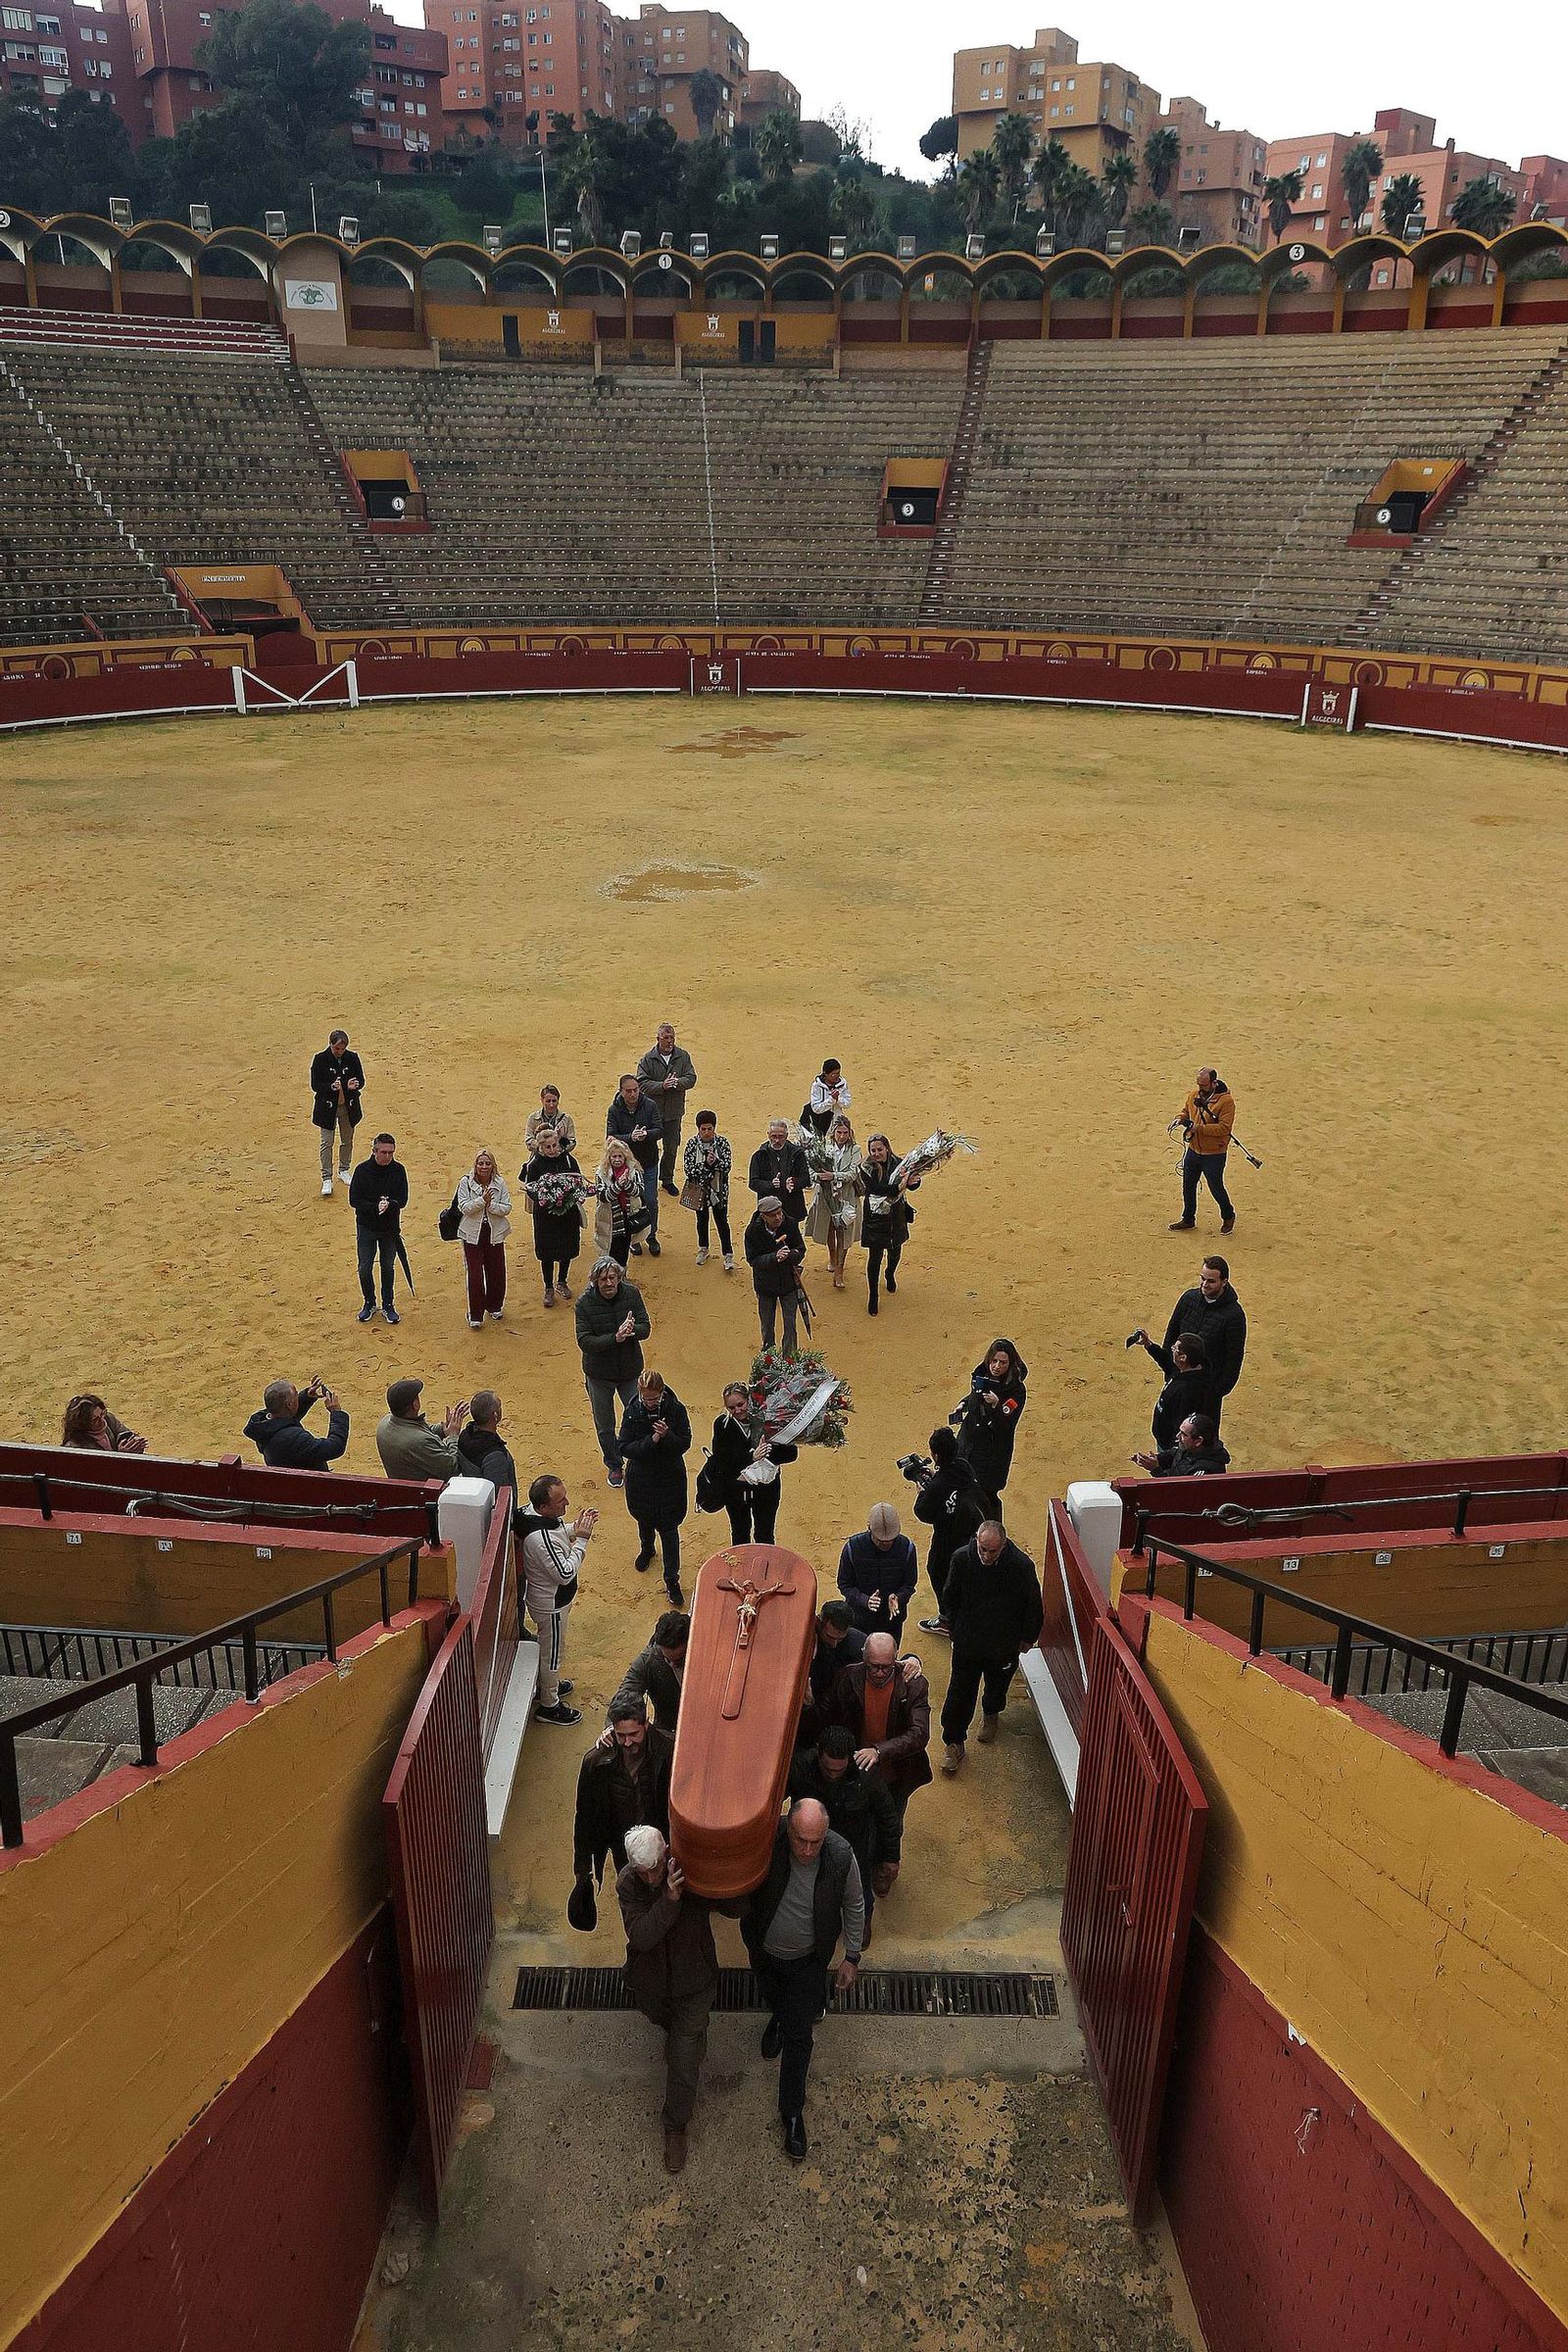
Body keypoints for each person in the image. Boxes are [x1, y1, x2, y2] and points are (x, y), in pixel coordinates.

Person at [740, 1798, 863, 2161]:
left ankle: (791, 2112)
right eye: (800, 1841)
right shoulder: (766, 1838)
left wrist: (851, 1956)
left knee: (800, 2037)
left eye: (816, 1842)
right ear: (787, 1830)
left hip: (809, 1962)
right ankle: (777, 2017)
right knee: (772, 1998)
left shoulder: (840, 1856)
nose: (808, 1851)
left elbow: (854, 1904)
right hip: (763, 1951)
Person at [616, 1823, 718, 2176]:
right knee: (671, 2030)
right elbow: (641, 1935)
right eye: (642, 1872)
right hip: (653, 1985)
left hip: (693, 1981)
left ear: (666, 1855)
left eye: (655, 1869)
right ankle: (685, 2038)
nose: (650, 1878)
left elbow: (734, 1905)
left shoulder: (689, 1868)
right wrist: (668, 1901)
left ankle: (675, 2126)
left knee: (684, 2057)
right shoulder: (628, 1884)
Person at [939, 1520, 1044, 1776]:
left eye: (992, 1551)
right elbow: (949, 1596)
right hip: (968, 1642)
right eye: (982, 1548)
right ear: (976, 1540)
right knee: (959, 1691)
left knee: (997, 1686)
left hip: (1003, 1644)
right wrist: (954, 1628)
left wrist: (1028, 1638)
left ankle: (991, 1712)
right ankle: (953, 1743)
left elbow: (1033, 1605)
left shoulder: (1021, 1567)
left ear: (1003, 1545)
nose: (985, 1555)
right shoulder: (962, 1559)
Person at [789, 1725, 902, 1947]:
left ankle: (863, 1920)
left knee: (859, 1888)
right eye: (828, 1768)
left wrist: (890, 1857)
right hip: (814, 1840)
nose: (833, 1775)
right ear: (819, 1752)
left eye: (839, 1770)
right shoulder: (801, 1767)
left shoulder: (865, 1774)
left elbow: (887, 1815)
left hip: (854, 1843)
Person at [572, 1697, 674, 1895]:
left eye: (634, 1734)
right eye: (621, 1735)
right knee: (634, 1894)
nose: (628, 1742)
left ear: (646, 1724)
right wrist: (582, 1872)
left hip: (663, 1841)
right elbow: (584, 1818)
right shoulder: (596, 1762)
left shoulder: (669, 1751)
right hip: (623, 1847)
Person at [830, 1632, 933, 1822]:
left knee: (891, 1824)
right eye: (873, 1667)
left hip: (896, 1774)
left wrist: (879, 1752)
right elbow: (833, 1717)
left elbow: (919, 1733)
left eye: (886, 1667)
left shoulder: (914, 1685)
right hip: (857, 1771)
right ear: (864, 1658)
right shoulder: (848, 1677)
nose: (879, 1673)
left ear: (896, 1660)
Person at [519, 1472, 597, 1724]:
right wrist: (582, 1541)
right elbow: (564, 1573)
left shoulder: (535, 1515)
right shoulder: (540, 1540)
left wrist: (576, 1528)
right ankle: (549, 1705)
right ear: (543, 1507)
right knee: (552, 1655)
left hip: (549, 1600)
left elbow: (559, 1532)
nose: (567, 1503)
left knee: (550, 1652)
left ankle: (546, 1686)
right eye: (560, 1501)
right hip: (551, 1605)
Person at [575, 1255, 651, 1489]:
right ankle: (614, 1465)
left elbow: (645, 1328)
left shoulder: (632, 1294)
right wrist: (615, 1338)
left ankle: (638, 1460)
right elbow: (584, 1341)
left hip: (629, 1370)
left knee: (638, 1416)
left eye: (612, 1278)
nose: (608, 1283)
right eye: (603, 1279)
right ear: (595, 1281)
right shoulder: (584, 1304)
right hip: (599, 1374)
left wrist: (631, 1331)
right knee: (605, 1424)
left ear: (619, 1278)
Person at [617, 1370, 692, 1606]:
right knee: (644, 1519)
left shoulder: (675, 1410)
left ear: (661, 1393)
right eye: (646, 1398)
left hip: (670, 1478)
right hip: (641, 1478)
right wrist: (652, 1441)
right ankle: (647, 1548)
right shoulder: (632, 1412)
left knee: (669, 1531)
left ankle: (672, 1579)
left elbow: (685, 1442)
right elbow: (624, 1447)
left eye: (654, 1398)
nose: (650, 1403)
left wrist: (667, 1436)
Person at [696, 1383, 797, 1545]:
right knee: (739, 1535)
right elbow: (723, 1464)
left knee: (764, 1535)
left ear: (749, 1399)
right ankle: (741, 1571)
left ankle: (763, 1570)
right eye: (731, 1408)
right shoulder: (722, 1425)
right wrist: (752, 1457)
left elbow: (791, 1454)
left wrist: (766, 1453)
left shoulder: (769, 1419)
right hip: (736, 1492)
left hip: (767, 1490)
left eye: (740, 1404)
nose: (737, 1411)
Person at [912, 1427, 989, 1637]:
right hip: (971, 1533)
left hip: (947, 1541)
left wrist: (922, 1493)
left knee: (937, 1571)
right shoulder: (963, 1466)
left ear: (935, 1455)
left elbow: (923, 1512)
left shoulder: (937, 1487)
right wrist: (936, 1477)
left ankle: (946, 1619)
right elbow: (951, 1481)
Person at [1162, 1256, 1248, 1425]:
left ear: (1224, 1282)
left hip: (1207, 1393)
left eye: (1211, 1281)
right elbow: (1171, 1333)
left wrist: (1217, 1391)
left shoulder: (1234, 1315)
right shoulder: (1188, 1298)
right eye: (1202, 1278)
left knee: (1200, 1441)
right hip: (1179, 1381)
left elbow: (1234, 1358)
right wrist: (1170, 1371)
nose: (1204, 1284)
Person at [953, 1340, 1028, 1511]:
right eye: (994, 1361)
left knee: (986, 1499)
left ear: (1010, 1364)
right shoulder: (981, 1376)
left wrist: (996, 1406)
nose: (997, 1366)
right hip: (967, 1445)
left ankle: (993, 1535)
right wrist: (964, 1404)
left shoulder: (1016, 1391)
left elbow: (1007, 1425)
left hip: (991, 1455)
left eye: (1003, 1363)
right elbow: (975, 1395)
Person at [520, 1124, 586, 1306]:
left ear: (559, 1144)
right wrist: (547, 1198)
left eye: (554, 1145)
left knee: (567, 1248)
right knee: (547, 1251)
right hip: (545, 1216)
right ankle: (548, 1287)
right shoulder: (534, 1165)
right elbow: (531, 1189)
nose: (552, 1149)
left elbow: (578, 1181)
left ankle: (562, 1282)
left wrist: (575, 1196)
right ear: (540, 1147)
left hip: (567, 1214)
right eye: (547, 1147)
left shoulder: (569, 1161)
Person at [349, 1132, 409, 1327]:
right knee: (364, 1268)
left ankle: (388, 1304)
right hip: (366, 1226)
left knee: (387, 1267)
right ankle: (369, 1302)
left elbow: (403, 1199)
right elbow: (354, 1200)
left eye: (391, 1152)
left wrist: (391, 1204)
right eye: (384, 1152)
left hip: (389, 1229)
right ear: (374, 1151)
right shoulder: (362, 1171)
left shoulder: (399, 1170)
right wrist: (375, 1207)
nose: (388, 1156)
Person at [858, 1134, 920, 1316]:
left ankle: (890, 1273)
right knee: (875, 1257)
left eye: (879, 1149)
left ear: (887, 1148)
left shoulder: (900, 1163)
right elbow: (874, 1189)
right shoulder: (866, 1167)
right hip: (876, 1219)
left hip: (896, 1216)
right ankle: (873, 1296)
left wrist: (911, 1182)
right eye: (873, 1150)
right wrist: (900, 1185)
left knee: (895, 1251)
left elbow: (914, 1184)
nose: (876, 1153)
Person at [837, 1503, 918, 1641]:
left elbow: (909, 1584)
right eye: (880, 1540)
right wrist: (865, 1600)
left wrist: (898, 1597)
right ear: (869, 1529)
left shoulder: (907, 1548)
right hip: (859, 1620)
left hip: (892, 1620)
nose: (886, 1544)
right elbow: (844, 1583)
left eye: (891, 1540)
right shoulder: (853, 1548)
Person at [1130, 1327, 1216, 1455]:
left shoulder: (1189, 1392)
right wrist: (1148, 1345)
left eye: (1175, 1349)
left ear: (1183, 1357)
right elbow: (1167, 1362)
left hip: (1170, 1447)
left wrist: (1167, 1457)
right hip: (1164, 1439)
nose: (1171, 1349)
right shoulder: (1187, 1369)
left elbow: (1181, 1430)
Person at [1171, 1067, 1237, 1235]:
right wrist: (1179, 1119)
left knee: (1216, 1187)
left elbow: (1224, 1128)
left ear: (1214, 1083)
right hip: (1194, 1149)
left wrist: (1197, 1128)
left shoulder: (1226, 1102)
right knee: (1188, 1185)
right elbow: (1187, 1111)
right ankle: (1188, 1219)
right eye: (1198, 1084)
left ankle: (1228, 1215)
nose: (1200, 1089)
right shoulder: (1194, 1094)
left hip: (1214, 1153)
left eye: (1204, 1085)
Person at [637, 1022, 698, 1196]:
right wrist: (662, 1085)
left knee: (671, 1147)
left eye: (672, 1037)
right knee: (648, 1148)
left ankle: (667, 1179)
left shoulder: (683, 1056)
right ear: (658, 1039)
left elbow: (691, 1078)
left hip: (673, 1112)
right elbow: (641, 1083)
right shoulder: (648, 1059)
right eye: (666, 1038)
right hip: (652, 1113)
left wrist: (677, 1083)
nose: (669, 1041)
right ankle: (647, 1179)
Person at [745, 1195, 808, 1359]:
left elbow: (801, 1249)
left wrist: (792, 1255)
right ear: (763, 1216)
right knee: (767, 1325)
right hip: (765, 1285)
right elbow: (753, 1259)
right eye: (773, 1215)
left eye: (779, 1213)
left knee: (790, 1324)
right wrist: (774, 1258)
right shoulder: (752, 1231)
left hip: (788, 1283)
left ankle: (790, 1358)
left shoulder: (790, 1224)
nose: (778, 1217)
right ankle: (769, 1357)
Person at [607, 1073, 662, 1257]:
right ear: (621, 1092)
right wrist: (631, 1137)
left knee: (651, 1200)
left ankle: (651, 1235)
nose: (633, 1094)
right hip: (627, 1166)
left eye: (636, 1090)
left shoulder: (650, 1105)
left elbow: (659, 1130)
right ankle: (635, 1238)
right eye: (629, 1091)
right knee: (631, 1204)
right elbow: (611, 1136)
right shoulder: (614, 1110)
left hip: (648, 1162)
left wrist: (646, 1135)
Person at [805, 1113, 861, 1292]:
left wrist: (833, 1176)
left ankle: (840, 1270)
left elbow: (853, 1174)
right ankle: (832, 1257)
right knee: (829, 1226)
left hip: (846, 1194)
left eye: (845, 1133)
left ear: (849, 1132)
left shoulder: (855, 1149)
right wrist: (818, 1177)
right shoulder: (824, 1147)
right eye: (839, 1132)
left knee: (843, 1229)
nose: (842, 1136)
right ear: (833, 1132)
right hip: (825, 1193)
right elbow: (810, 1170)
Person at [455, 1149, 511, 1328]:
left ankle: (495, 1306)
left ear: (492, 1166)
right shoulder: (465, 1182)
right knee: (475, 1274)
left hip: (494, 1232)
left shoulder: (499, 1183)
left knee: (497, 1271)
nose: (484, 1167)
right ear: (475, 1165)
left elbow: (506, 1207)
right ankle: (475, 1313)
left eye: (487, 1163)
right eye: (481, 1163)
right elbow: (464, 1207)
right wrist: (482, 1201)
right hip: (472, 1234)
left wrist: (490, 1205)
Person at [610, 1609, 689, 1733]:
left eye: (679, 1661)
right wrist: (614, 1726)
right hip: (670, 1730)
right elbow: (628, 1691)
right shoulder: (649, 1659)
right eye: (667, 1659)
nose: (672, 1665)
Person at [801, 1598, 866, 1747]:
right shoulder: (804, 1639)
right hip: (811, 1714)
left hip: (838, 1712)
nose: (834, 1644)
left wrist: (912, 1660)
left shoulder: (856, 1642)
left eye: (840, 1639)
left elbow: (883, 1655)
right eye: (830, 1637)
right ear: (819, 1622)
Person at [243, 1377, 348, 1470]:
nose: (298, 1396)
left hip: (287, 1483)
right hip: (311, 1487)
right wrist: (336, 1413)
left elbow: (284, 1420)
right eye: (296, 1396)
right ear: (289, 1404)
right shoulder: (295, 1439)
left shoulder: (262, 1425)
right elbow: (335, 1447)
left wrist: (306, 1397)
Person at [375, 1378, 466, 1480]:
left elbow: (415, 1430)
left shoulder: (385, 1422)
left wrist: (442, 1429)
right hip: (426, 1492)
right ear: (415, 1404)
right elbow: (453, 1469)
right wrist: (453, 1436)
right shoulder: (419, 1442)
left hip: (405, 1485)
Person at [310, 1028, 364, 1197]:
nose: (340, 1052)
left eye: (342, 1049)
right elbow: (315, 1085)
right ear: (330, 1045)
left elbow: (361, 1080)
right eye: (337, 1049)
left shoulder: (352, 1058)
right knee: (327, 1142)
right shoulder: (320, 1060)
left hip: (348, 1107)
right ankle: (327, 1177)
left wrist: (353, 1085)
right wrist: (331, 1087)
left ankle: (344, 1169)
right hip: (327, 1109)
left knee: (347, 1139)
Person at [682, 1111, 734, 1272]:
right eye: (703, 1129)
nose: (706, 1132)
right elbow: (689, 1170)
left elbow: (727, 1166)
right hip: (700, 1191)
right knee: (702, 1220)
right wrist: (707, 1164)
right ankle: (703, 1248)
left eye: (709, 1129)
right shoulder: (691, 1144)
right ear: (698, 1129)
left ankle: (728, 1254)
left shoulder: (723, 1143)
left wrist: (715, 1162)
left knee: (722, 1222)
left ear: (714, 1128)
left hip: (719, 1191)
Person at [593, 1137, 647, 1270]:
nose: (617, 1159)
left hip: (628, 1216)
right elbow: (603, 1196)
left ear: (625, 1157)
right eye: (614, 1156)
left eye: (620, 1156)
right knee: (609, 1247)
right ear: (609, 1158)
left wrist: (627, 1183)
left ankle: (621, 1276)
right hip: (609, 1218)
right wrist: (618, 1185)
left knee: (624, 1247)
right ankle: (609, 1275)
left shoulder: (634, 1171)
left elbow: (639, 1190)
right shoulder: (601, 1173)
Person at [747, 1119, 811, 1229]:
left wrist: (794, 1183)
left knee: (792, 1241)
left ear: (786, 1136)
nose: (777, 1140)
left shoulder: (797, 1154)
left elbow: (806, 1179)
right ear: (768, 1135)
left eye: (780, 1136)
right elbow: (753, 1183)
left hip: (792, 1207)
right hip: (769, 1210)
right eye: (774, 1136)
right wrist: (770, 1185)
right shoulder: (759, 1155)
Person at [457, 1389, 517, 1496]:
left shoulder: (465, 1435)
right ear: (495, 1415)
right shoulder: (495, 1457)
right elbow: (500, 1497)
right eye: (500, 1406)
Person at [1136, 1411, 1232, 1478]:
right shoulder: (1190, 1447)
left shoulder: (1205, 1471)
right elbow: (1173, 1455)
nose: (1178, 1436)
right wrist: (1153, 1459)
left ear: (1198, 1441)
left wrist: (1155, 1469)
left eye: (1184, 1434)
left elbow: (1178, 1494)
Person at [61, 1395, 146, 1453]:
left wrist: (134, 1444)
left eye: (102, 1414)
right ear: (82, 1425)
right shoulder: (75, 1447)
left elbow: (125, 1434)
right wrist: (121, 1455)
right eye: (95, 1420)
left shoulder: (108, 1419)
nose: (102, 1420)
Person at [803, 1059, 852, 1138]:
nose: (836, 1076)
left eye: (838, 1073)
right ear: (825, 1073)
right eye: (833, 1074)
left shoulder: (842, 1084)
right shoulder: (817, 1086)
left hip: (837, 1121)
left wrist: (838, 1099)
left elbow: (848, 1104)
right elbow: (816, 1108)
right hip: (820, 1123)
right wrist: (831, 1100)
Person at [524, 1084, 577, 1156]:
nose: (551, 1104)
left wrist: (558, 1147)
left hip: (561, 1159)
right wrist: (544, 1146)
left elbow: (572, 1142)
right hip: (539, 1159)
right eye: (548, 1101)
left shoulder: (567, 1119)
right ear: (542, 1100)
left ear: (558, 1100)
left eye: (554, 1101)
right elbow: (529, 1141)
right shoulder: (533, 1118)